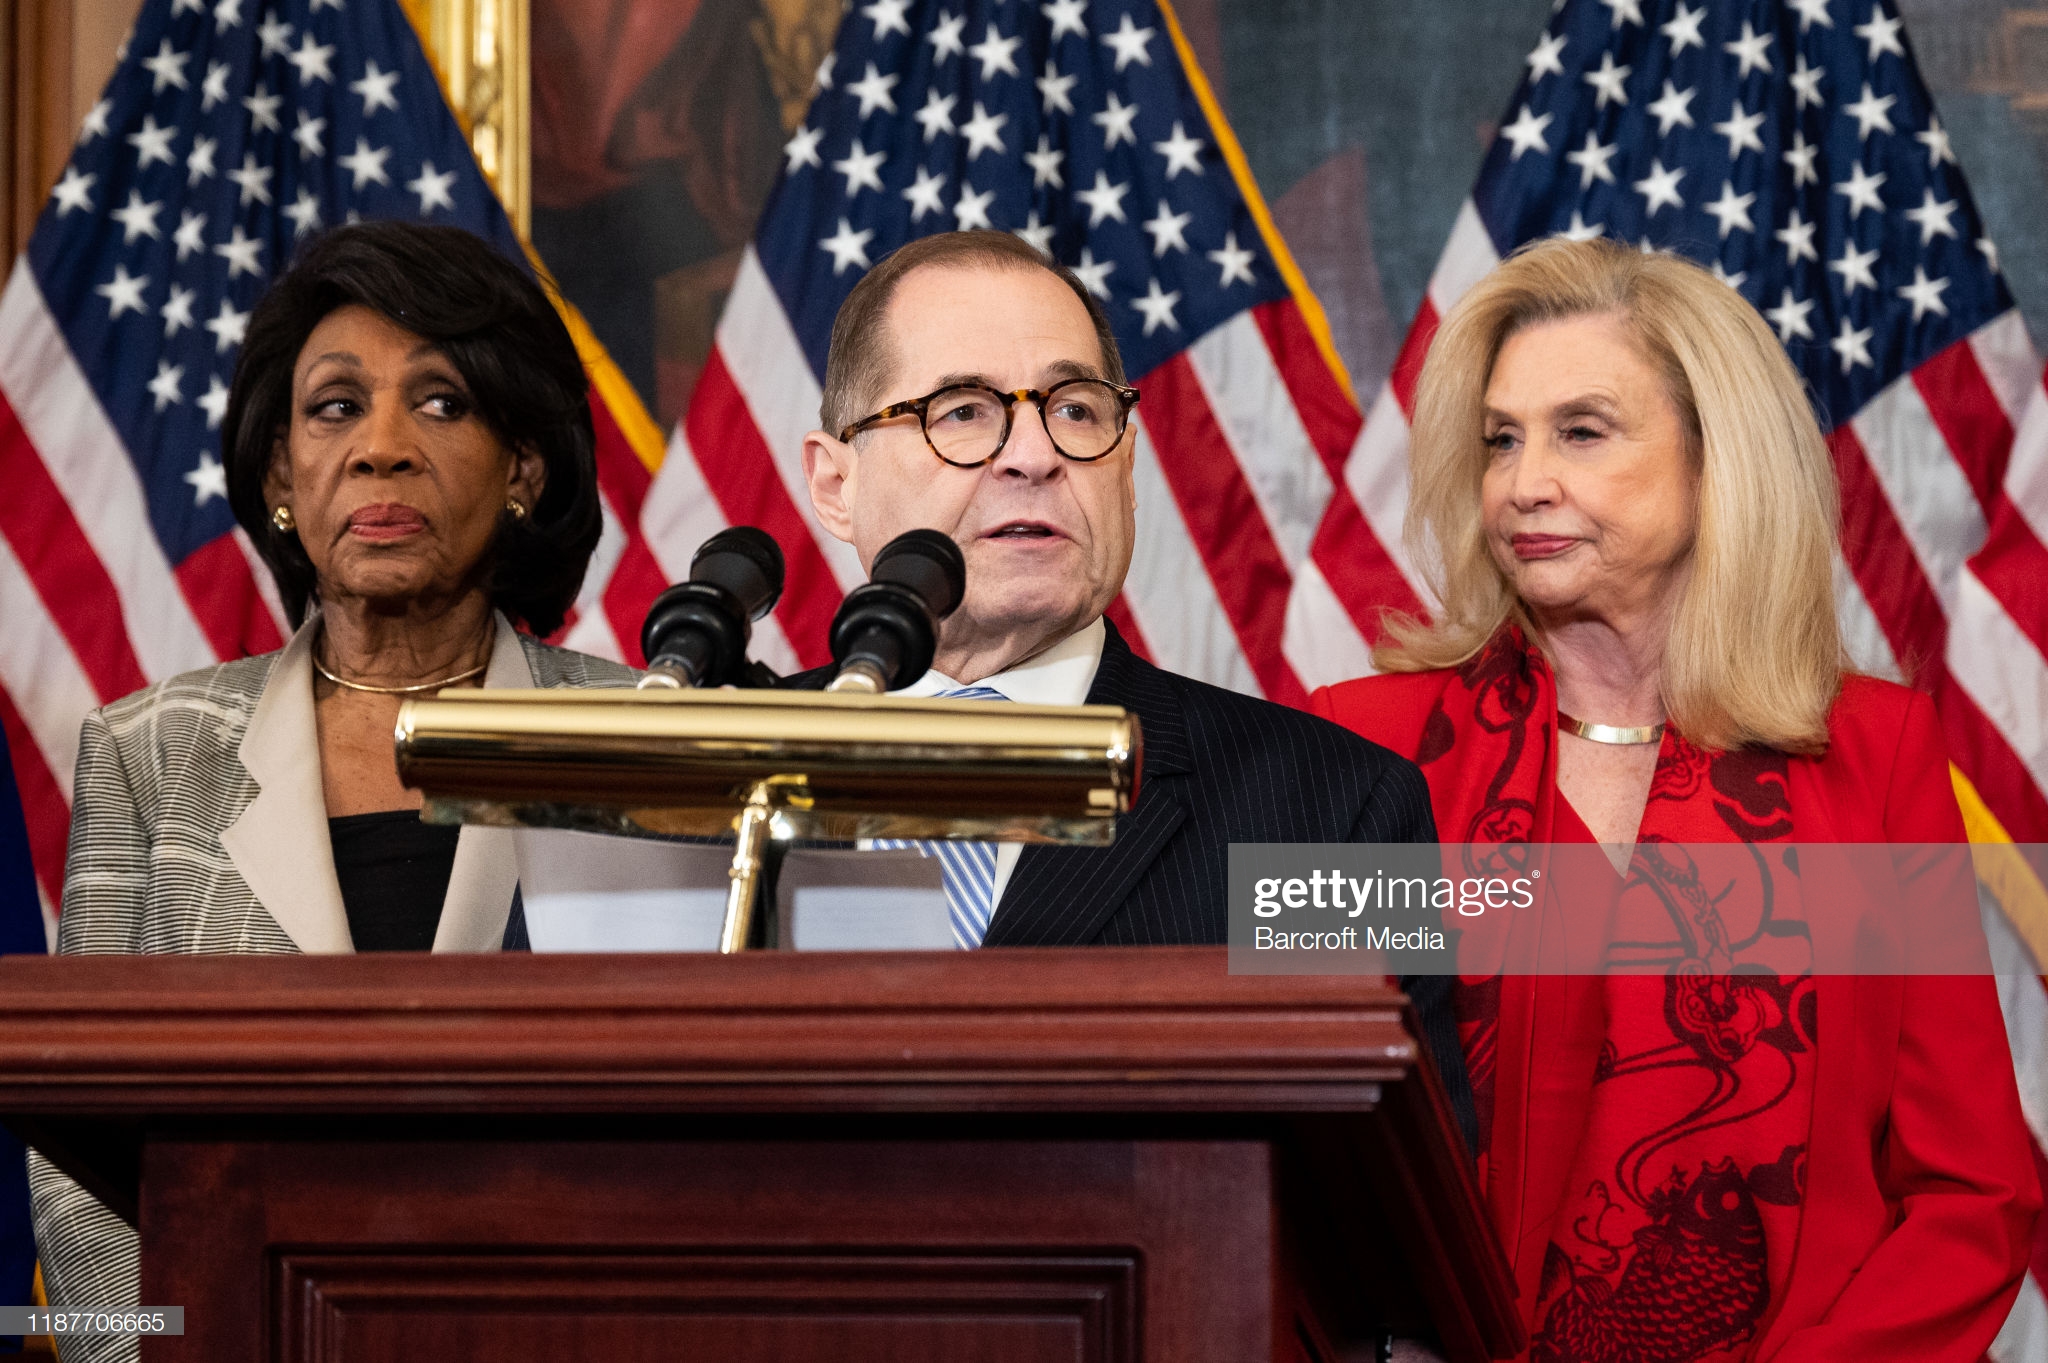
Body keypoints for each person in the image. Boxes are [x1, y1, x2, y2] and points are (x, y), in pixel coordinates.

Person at [1310, 236, 2039, 1361]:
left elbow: (1971, 1191)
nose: (1522, 482)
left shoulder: (1877, 754)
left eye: (1581, 431)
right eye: (1500, 438)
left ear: (1714, 462)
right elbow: (1290, 1127)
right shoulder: (1366, 746)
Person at [30, 220, 639, 1363]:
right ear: (279, 474)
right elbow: (77, 1154)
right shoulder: (151, 750)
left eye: (444, 403)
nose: (381, 449)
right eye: (336, 406)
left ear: (524, 467)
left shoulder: (636, 738)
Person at [791, 229, 1446, 956]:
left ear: (1127, 470)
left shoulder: (1343, 815)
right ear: (836, 485)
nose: (1035, 455)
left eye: (1075, 410)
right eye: (963, 410)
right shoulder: (701, 777)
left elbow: (1369, 1037)